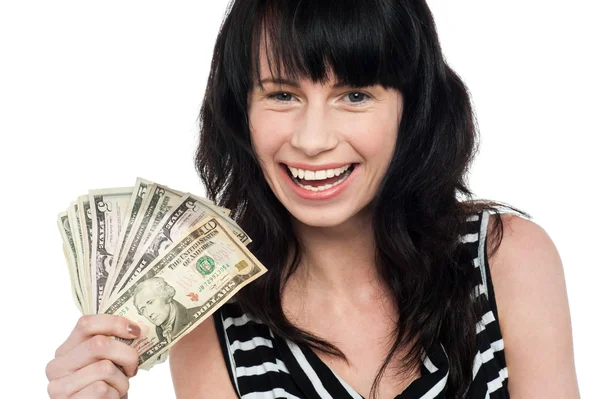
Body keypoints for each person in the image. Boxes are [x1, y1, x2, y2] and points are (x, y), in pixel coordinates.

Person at [45, 1, 580, 398]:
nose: (312, 138)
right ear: (241, 113)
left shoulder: (505, 259)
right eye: (282, 94)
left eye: (354, 95)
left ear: (410, 110)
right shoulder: (212, 313)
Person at [133, 277, 204, 343]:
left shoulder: (202, 315)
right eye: (143, 310)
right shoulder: (161, 335)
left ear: (165, 295)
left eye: (150, 302)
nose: (149, 313)